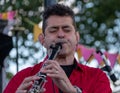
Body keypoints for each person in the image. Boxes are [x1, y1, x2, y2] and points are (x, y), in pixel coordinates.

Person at [3, 4, 112, 93]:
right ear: (42, 40)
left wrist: (72, 91)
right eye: (53, 30)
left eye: (66, 29)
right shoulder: (23, 77)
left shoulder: (97, 77)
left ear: (77, 38)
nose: (60, 34)